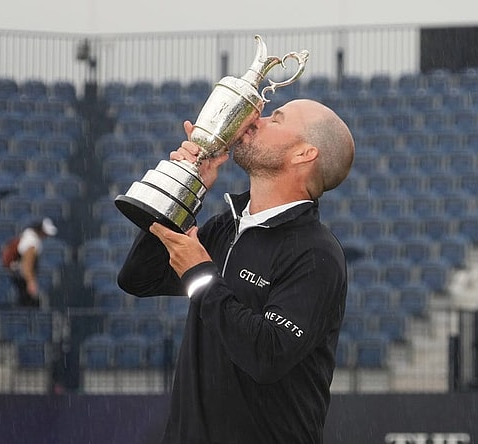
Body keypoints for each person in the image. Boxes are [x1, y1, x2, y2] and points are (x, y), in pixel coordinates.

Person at [118, 98, 355, 444]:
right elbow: (139, 277)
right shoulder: (226, 227)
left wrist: (201, 277)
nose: (257, 118)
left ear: (304, 154)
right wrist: (186, 187)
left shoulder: (317, 253)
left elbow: (267, 355)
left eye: (277, 118)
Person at [10, 218, 58, 308]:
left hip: (19, 276)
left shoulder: (28, 236)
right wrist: (30, 282)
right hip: (22, 278)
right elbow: (27, 264)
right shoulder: (32, 242)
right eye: (46, 233)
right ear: (41, 231)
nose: (46, 236)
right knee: (29, 306)